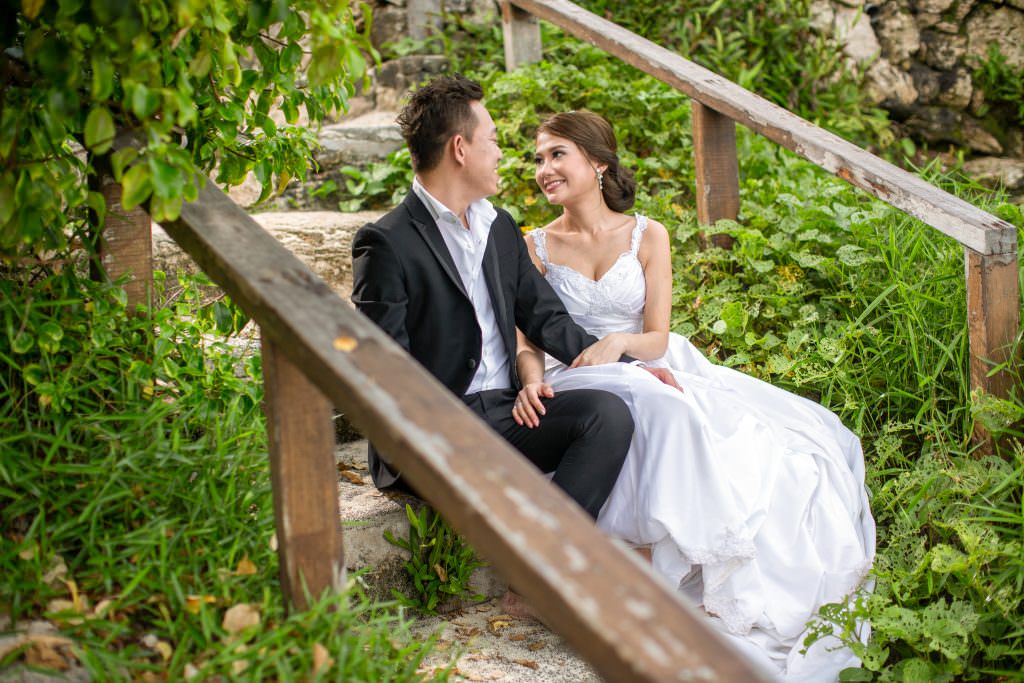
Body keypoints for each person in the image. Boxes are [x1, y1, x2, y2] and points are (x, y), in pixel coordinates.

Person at [514, 110, 876, 681]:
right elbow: (526, 335)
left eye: (557, 154)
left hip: (642, 356)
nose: (543, 168)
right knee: (654, 408)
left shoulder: (647, 234)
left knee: (765, 438)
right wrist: (532, 378)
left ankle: (693, 558)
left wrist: (621, 345)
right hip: (572, 370)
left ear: (597, 163)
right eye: (538, 158)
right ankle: (649, 556)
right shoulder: (533, 244)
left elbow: (657, 332)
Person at [350, 76, 647, 522]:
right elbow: (385, 369)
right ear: (460, 149)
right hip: (436, 426)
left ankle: (549, 557)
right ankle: (548, 566)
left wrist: (637, 370)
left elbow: (548, 321)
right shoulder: (387, 242)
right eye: (491, 139)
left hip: (507, 413)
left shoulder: (500, 227)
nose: (501, 153)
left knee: (606, 415)